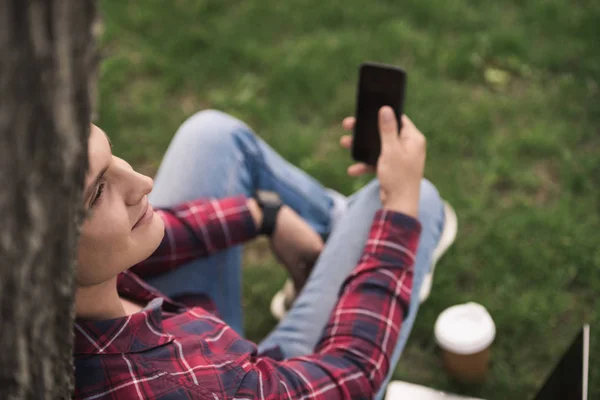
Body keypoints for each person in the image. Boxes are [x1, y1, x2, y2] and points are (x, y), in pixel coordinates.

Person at [73, 106, 457, 399]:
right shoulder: (192, 388)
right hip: (262, 373)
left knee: (212, 137)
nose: (143, 182)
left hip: (198, 338)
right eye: (99, 191)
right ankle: (365, 247)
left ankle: (341, 234)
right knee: (417, 202)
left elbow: (167, 237)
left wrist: (264, 214)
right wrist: (399, 215)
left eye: (112, 155)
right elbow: (352, 371)